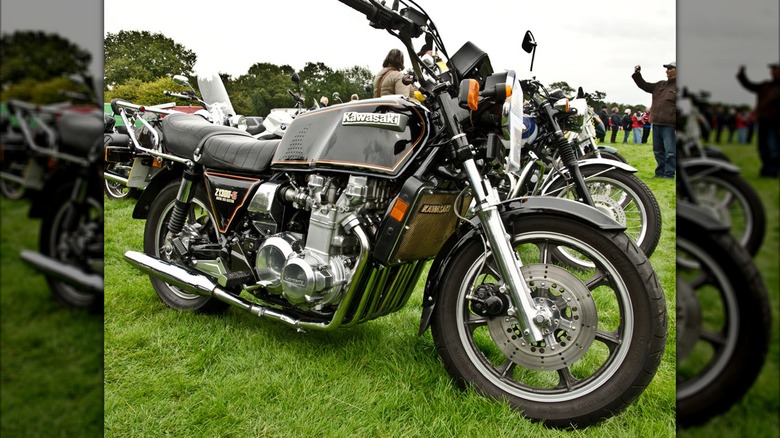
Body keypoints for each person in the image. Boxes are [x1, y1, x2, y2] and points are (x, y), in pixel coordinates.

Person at [633, 62, 677, 178]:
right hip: (656, 123)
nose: (667, 71)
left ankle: (669, 173)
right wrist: (637, 75)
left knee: (670, 152)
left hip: (670, 125)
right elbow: (644, 85)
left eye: (670, 68)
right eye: (666, 69)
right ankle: (660, 172)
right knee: (658, 151)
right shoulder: (660, 85)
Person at [737, 63, 779, 177]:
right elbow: (749, 85)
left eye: (775, 70)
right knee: (762, 148)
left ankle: (772, 171)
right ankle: (766, 169)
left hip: (775, 123)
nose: (773, 72)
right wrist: (742, 75)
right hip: (763, 122)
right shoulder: (765, 86)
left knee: (773, 149)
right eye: (772, 70)